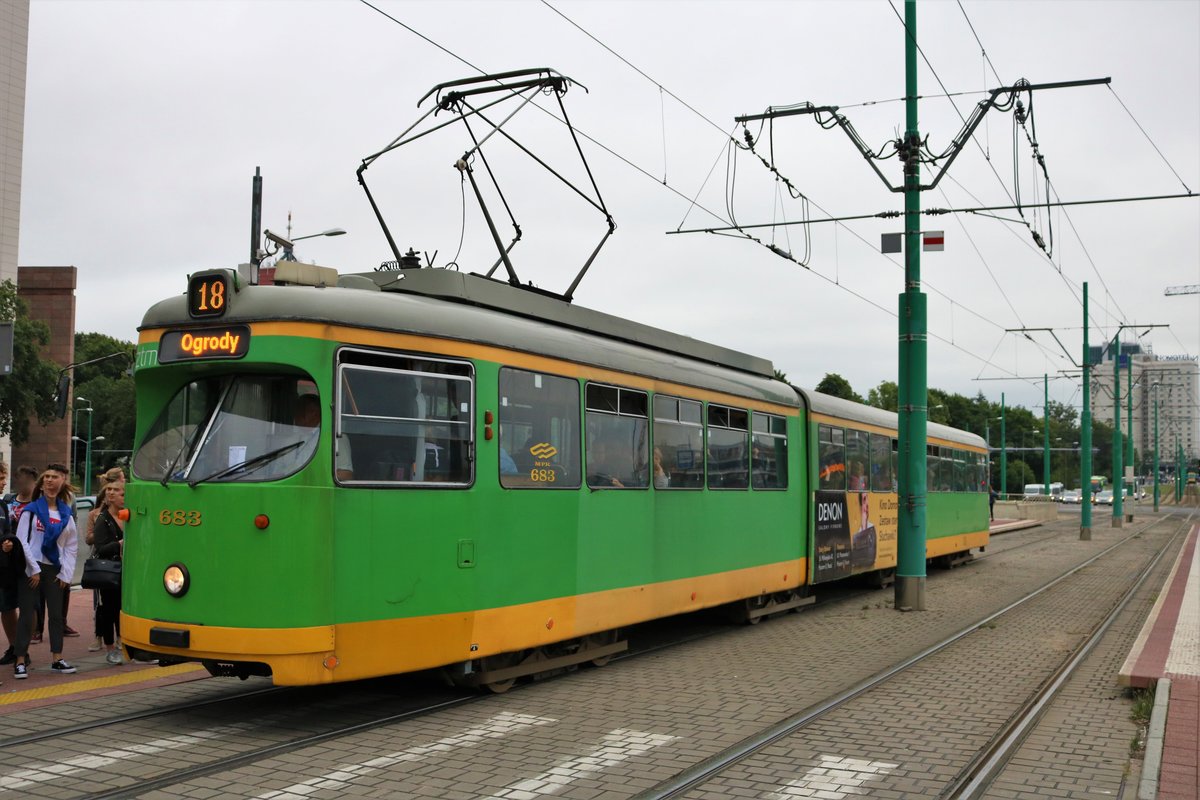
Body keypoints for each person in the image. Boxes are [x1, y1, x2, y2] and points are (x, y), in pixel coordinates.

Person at [12, 464, 79, 678]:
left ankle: (57, 658)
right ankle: (20, 660)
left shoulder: (65, 514)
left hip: (54, 570)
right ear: (41, 485)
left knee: (57, 615)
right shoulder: (30, 510)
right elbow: (22, 541)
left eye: (55, 477)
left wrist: (65, 574)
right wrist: (33, 569)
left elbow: (71, 546)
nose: (50, 480)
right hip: (32, 569)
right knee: (27, 614)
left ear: (61, 484)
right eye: (47, 477)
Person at [87, 468, 125, 653]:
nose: (124, 497)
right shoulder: (103, 519)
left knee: (122, 608)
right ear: (112, 497)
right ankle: (110, 646)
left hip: (126, 570)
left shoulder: (129, 516)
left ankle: (122, 641)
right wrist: (119, 544)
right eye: (122, 494)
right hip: (109, 571)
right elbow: (101, 548)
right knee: (109, 608)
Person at [294, 394, 353, 481]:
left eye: (299, 411)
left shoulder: (337, 437)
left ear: (313, 412)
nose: (295, 416)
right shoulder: (291, 437)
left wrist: (312, 477)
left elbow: (346, 474)